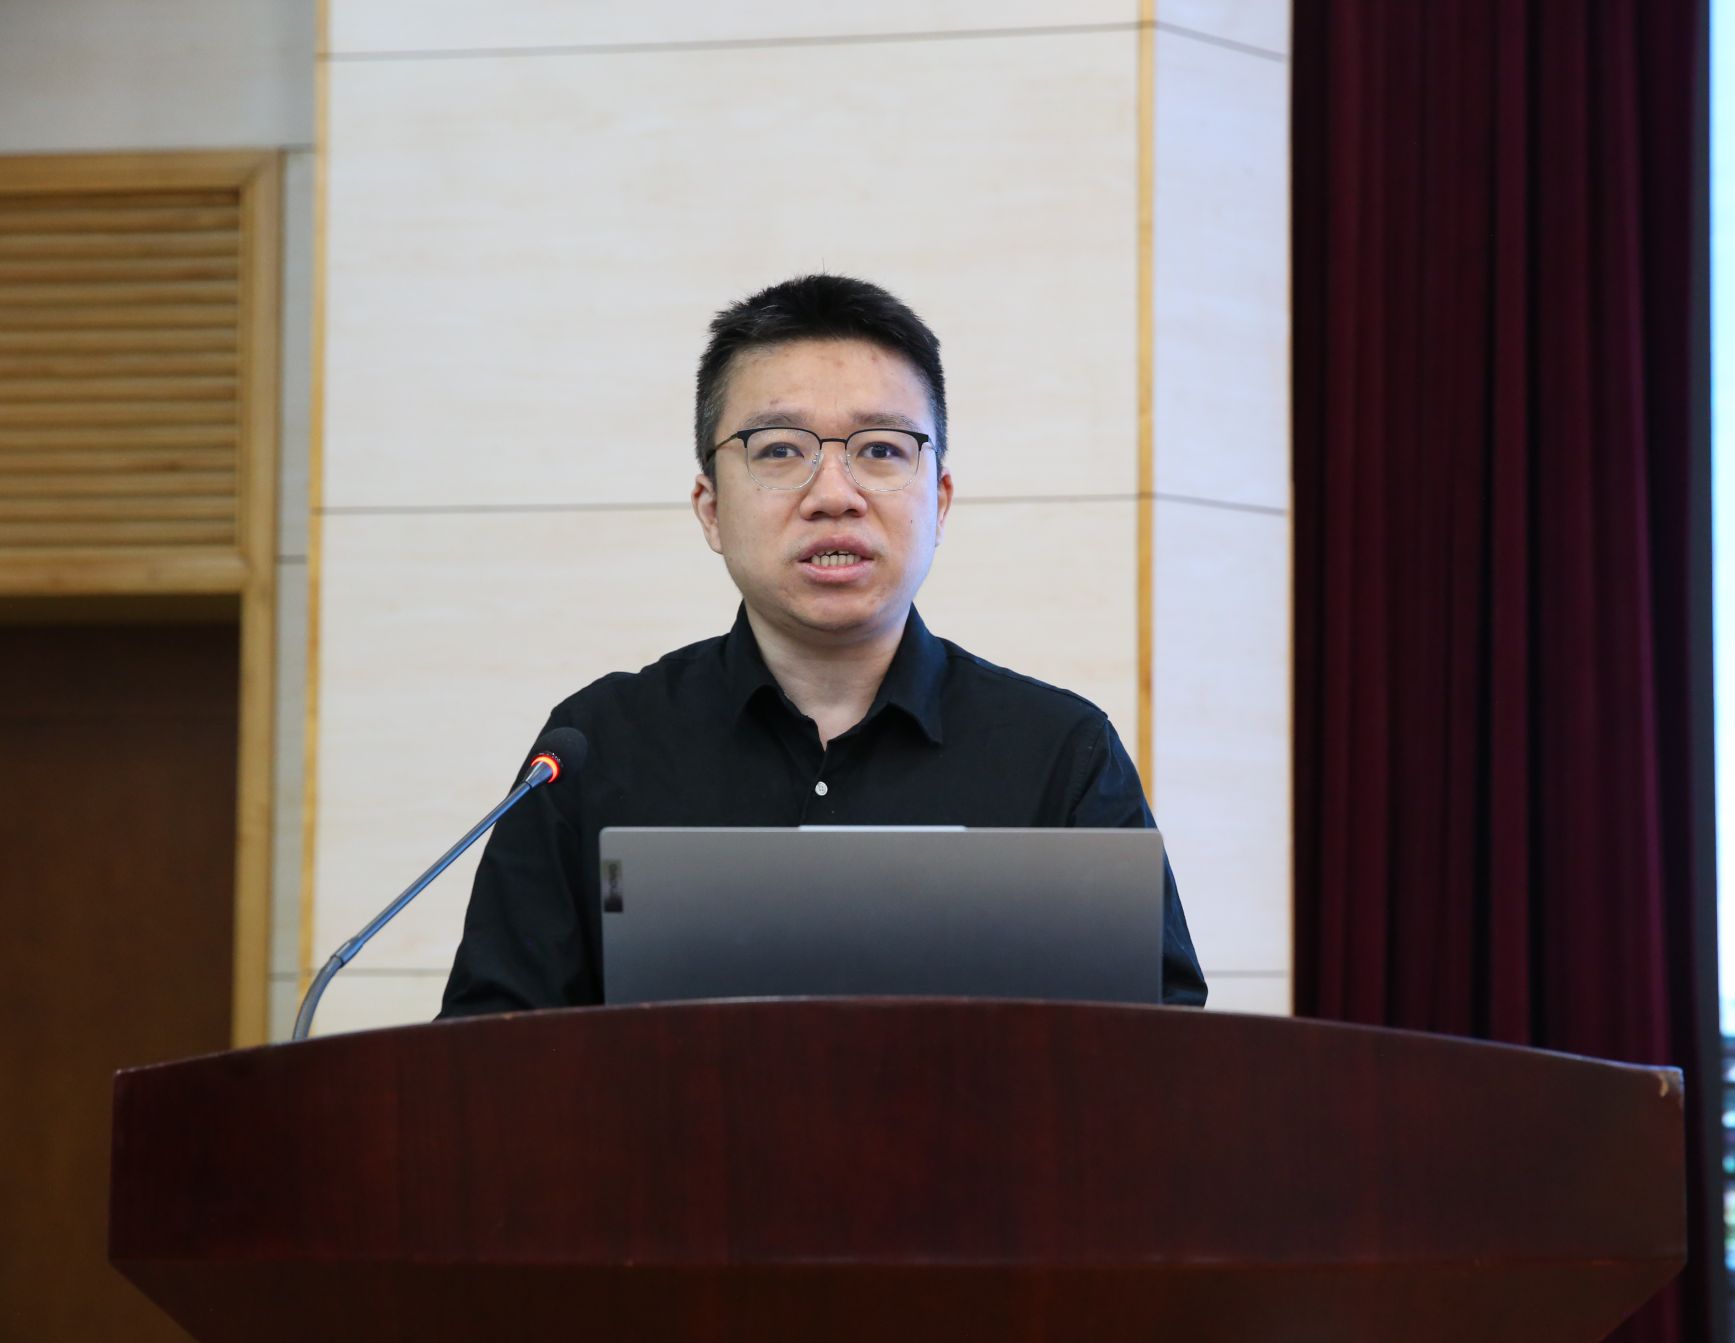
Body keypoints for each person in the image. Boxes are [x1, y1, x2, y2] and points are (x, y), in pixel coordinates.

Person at [438, 274, 1206, 1014]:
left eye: (881, 449)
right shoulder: (597, 749)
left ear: (939, 500)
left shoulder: (1061, 757)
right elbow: (488, 1056)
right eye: (779, 449)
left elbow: (1162, 1059)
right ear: (710, 506)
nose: (834, 495)